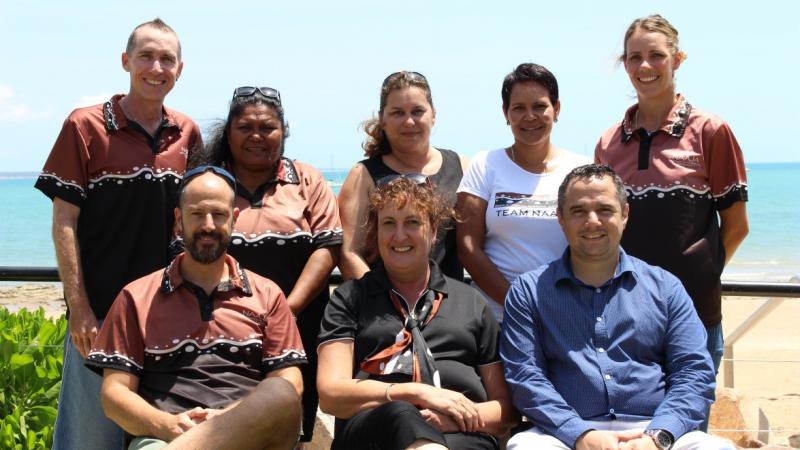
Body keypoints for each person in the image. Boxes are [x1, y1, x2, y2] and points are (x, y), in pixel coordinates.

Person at [34, 18, 201, 449]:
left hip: (166, 319)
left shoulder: (187, 133)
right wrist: (80, 309)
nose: (156, 67)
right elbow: (64, 223)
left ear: (180, 69)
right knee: (89, 439)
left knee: (157, 437)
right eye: (146, 55)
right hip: (103, 315)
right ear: (126, 61)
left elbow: (197, 220)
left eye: (167, 59)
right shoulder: (85, 126)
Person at [500, 164, 735, 450]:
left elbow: (694, 372)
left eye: (605, 210)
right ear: (560, 218)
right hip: (564, 434)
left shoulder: (666, 287)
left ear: (625, 214)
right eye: (578, 211)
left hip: (653, 429)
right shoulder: (528, 292)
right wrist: (579, 435)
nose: (592, 221)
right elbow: (526, 378)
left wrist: (658, 436)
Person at [86, 166, 306, 450]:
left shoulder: (267, 294)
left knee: (281, 392)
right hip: (162, 438)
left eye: (219, 215)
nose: (209, 225)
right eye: (197, 214)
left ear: (234, 219)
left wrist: (225, 423)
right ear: (178, 221)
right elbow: (114, 394)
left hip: (250, 436)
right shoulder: (136, 297)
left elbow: (289, 385)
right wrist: (169, 425)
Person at [595, 15, 749, 379]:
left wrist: (701, 274)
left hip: (694, 314)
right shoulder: (608, 142)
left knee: (690, 430)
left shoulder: (711, 131)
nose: (645, 66)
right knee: (630, 426)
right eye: (634, 57)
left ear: (677, 60)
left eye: (656, 55)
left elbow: (737, 226)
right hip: (624, 316)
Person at [318, 176, 518, 450]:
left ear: (433, 231)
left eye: (412, 222)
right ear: (376, 233)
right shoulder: (349, 299)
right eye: (389, 223)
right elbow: (331, 394)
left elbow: (506, 410)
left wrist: (456, 417)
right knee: (401, 413)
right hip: (375, 434)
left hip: (462, 434)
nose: (400, 235)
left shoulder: (471, 303)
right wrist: (415, 393)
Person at [198, 86, 342, 445]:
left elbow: (327, 247)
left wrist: (286, 311)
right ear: (229, 133)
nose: (257, 137)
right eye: (245, 127)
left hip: (301, 324)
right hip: (222, 327)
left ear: (285, 131)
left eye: (268, 128)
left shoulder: (307, 179)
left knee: (291, 423)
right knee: (225, 419)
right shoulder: (209, 183)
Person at [457, 63, 589, 321]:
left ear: (557, 109)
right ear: (506, 113)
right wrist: (518, 304)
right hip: (500, 318)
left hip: (566, 315)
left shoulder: (581, 169)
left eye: (540, 106)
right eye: (518, 108)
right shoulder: (485, 164)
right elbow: (468, 247)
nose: (530, 116)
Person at [338, 71, 468, 282]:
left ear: (433, 114)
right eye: (398, 113)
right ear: (382, 119)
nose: (409, 121)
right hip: (383, 308)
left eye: (417, 111)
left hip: (449, 307)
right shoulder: (363, 176)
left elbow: (475, 246)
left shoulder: (462, 166)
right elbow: (349, 253)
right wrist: (387, 303)